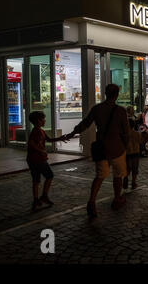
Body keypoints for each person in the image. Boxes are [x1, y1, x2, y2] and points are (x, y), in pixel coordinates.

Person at [66, 84, 130, 218]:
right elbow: (126, 132)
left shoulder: (97, 109)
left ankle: (91, 201)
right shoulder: (121, 111)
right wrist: (126, 146)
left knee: (100, 176)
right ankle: (117, 198)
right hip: (117, 148)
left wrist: (73, 133)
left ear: (105, 93)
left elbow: (85, 123)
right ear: (117, 95)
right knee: (118, 176)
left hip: (102, 147)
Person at [27, 111, 68, 211]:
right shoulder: (36, 131)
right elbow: (31, 143)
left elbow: (48, 140)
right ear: (38, 120)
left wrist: (60, 138)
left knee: (36, 180)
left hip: (32, 159)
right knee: (49, 176)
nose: (45, 120)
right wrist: (41, 151)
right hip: (38, 159)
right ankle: (44, 196)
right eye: (43, 119)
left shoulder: (40, 130)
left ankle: (36, 199)